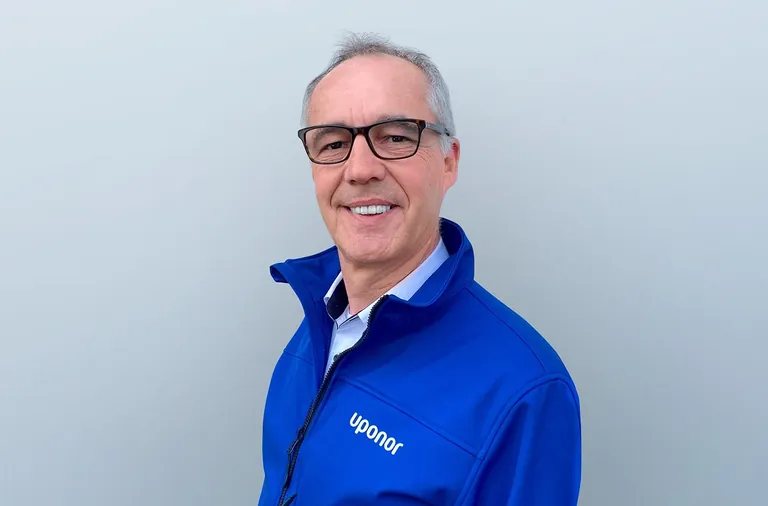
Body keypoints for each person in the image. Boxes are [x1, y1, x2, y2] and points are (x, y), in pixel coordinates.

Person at [258, 32, 581, 506]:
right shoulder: (318, 323)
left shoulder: (523, 390)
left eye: (395, 137)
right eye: (333, 143)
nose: (360, 169)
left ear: (449, 163)